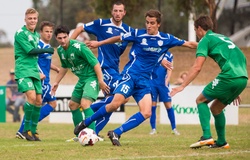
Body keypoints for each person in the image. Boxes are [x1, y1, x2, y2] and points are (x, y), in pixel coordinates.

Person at [74, 9, 197, 146]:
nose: (148, 26)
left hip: (144, 82)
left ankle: (116, 132)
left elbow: (190, 44)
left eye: (152, 23)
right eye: (147, 22)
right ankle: (86, 122)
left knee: (146, 112)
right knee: (114, 104)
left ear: (158, 24)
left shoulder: (166, 39)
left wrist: (207, 46)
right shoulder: (138, 34)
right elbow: (118, 38)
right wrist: (99, 43)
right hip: (130, 77)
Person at [170, 15, 248, 149]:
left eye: (195, 31)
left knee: (200, 100)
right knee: (216, 108)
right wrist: (236, 86)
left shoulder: (206, 39)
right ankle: (222, 142)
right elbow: (240, 57)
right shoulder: (221, 38)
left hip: (230, 76)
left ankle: (207, 136)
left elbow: (197, 67)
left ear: (199, 28)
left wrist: (182, 86)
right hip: (242, 77)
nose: (196, 34)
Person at [70, 1, 133, 138]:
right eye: (115, 10)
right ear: (112, 11)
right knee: (123, 97)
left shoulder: (128, 30)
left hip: (115, 69)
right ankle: (90, 117)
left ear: (124, 13)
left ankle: (92, 129)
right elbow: (80, 28)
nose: (117, 13)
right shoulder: (101, 24)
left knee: (113, 103)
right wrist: (70, 46)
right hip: (104, 68)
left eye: (120, 11)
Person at [52, 25, 109, 142]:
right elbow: (64, 66)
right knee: (72, 105)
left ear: (69, 36)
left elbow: (95, 63)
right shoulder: (60, 50)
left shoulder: (80, 47)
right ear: (56, 38)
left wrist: (100, 80)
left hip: (92, 78)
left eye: (65, 37)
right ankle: (80, 135)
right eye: (59, 38)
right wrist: (56, 82)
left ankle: (93, 135)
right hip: (82, 79)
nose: (62, 40)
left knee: (85, 103)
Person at [14, 8, 54, 141]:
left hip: (34, 71)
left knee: (38, 100)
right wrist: (47, 49)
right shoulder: (20, 33)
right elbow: (30, 50)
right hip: (24, 70)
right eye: (30, 18)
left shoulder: (36, 35)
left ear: (37, 20)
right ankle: (24, 131)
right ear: (25, 19)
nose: (32, 21)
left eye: (34, 18)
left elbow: (36, 57)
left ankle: (33, 131)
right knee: (31, 96)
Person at [149, 52, 180, 135]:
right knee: (153, 105)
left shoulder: (169, 55)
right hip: (152, 82)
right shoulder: (153, 52)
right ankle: (153, 129)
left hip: (163, 83)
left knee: (168, 105)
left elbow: (170, 68)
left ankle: (174, 128)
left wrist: (168, 79)